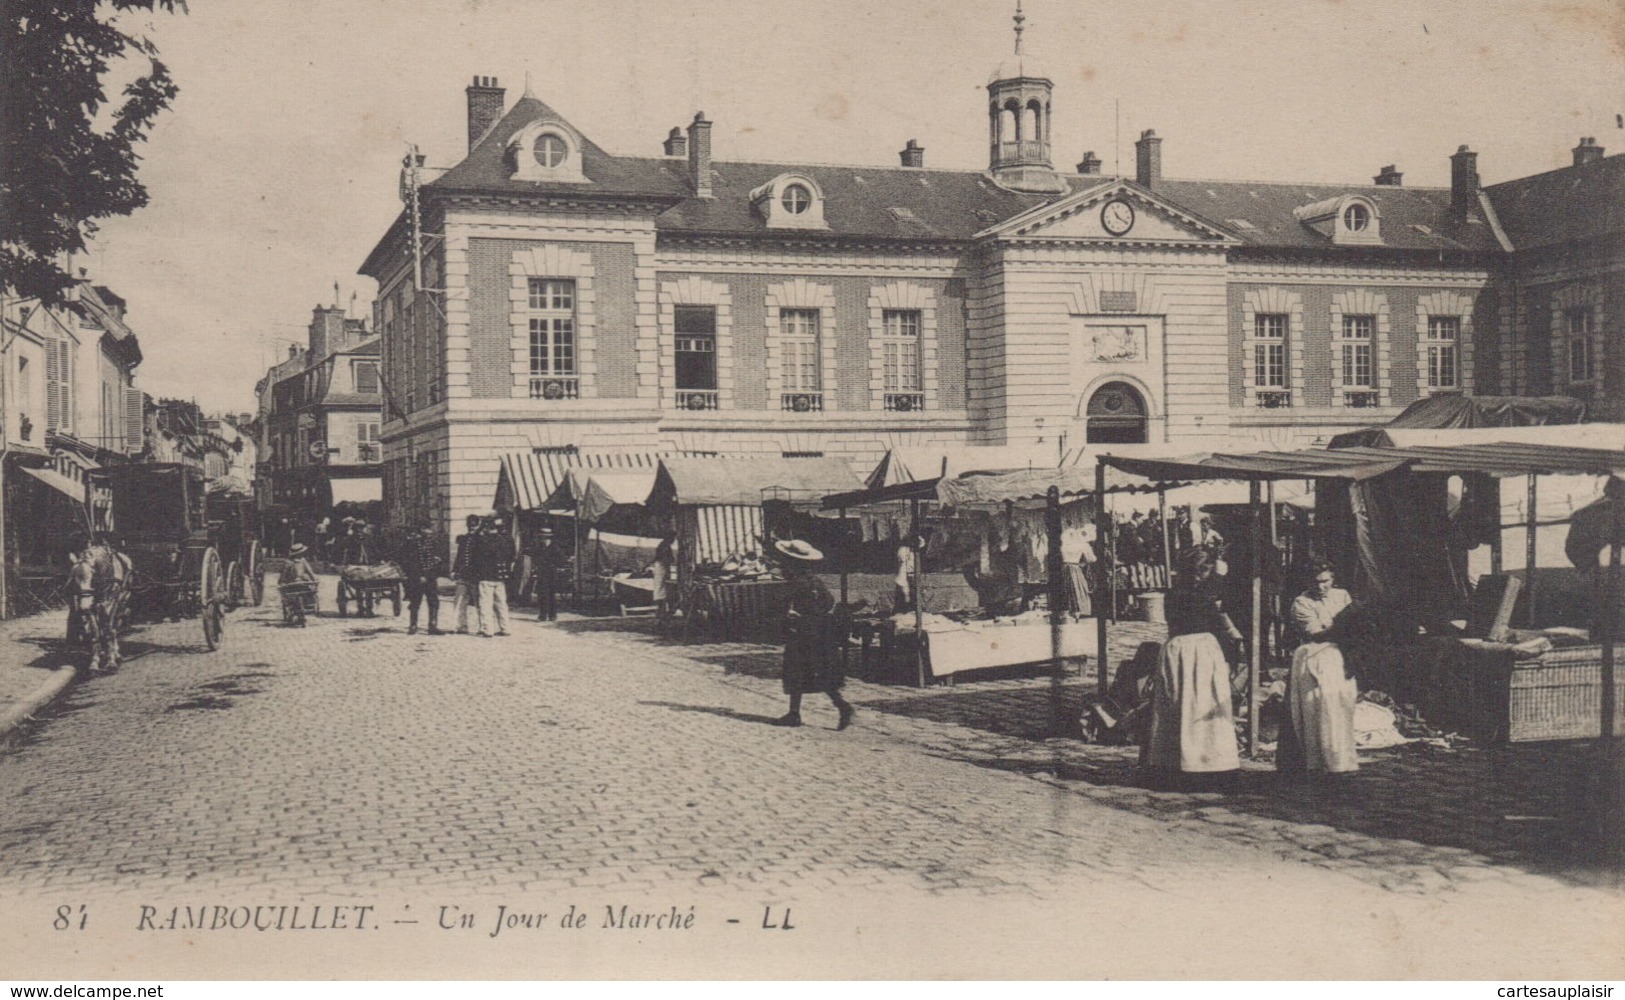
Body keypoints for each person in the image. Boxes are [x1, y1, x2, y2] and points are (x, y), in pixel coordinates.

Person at [1142, 548, 1244, 785]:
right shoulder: (1184, 593)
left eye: (1206, 571)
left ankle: (1210, 762)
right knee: (1186, 706)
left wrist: (1232, 638)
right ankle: (1184, 764)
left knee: (1203, 706)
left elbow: (1221, 616)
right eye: (1201, 571)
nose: (1203, 576)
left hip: (1199, 651)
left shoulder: (1201, 591)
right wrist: (1218, 581)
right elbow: (1205, 609)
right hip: (1188, 652)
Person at [1282, 561, 1360, 776]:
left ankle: (1341, 761)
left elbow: (1353, 629)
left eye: (1325, 581)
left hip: (1339, 657)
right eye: (1315, 582)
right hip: (1314, 657)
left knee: (1341, 708)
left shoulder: (1342, 596)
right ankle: (1316, 763)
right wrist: (1342, 624)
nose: (1320, 586)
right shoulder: (1302, 602)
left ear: (1332, 580)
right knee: (1316, 709)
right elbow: (1315, 633)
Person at [771, 539, 854, 730]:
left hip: (803, 632)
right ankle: (836, 706)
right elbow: (829, 602)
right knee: (819, 670)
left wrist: (791, 613)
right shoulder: (815, 580)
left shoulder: (796, 582)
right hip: (821, 632)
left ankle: (800, 713)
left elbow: (778, 602)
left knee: (796, 669)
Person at [398, 521, 444, 636]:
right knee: (415, 602)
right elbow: (408, 562)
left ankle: (432, 626)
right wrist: (418, 575)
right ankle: (413, 625)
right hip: (416, 579)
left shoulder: (435, 544)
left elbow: (439, 562)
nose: (429, 532)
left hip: (431, 579)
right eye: (426, 529)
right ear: (421, 530)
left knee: (433, 602)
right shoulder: (412, 544)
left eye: (430, 530)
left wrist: (430, 576)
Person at [474, 516, 515, 637]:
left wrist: (480, 528)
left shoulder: (483, 540)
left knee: (485, 604)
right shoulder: (504, 540)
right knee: (501, 604)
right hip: (500, 576)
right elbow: (511, 556)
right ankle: (505, 628)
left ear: (486, 528)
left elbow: (475, 542)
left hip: (486, 576)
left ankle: (488, 630)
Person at [451, 515, 482, 635]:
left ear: (478, 525)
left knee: (480, 603)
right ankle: (460, 626)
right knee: (459, 601)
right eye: (470, 525)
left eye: (474, 525)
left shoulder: (482, 540)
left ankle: (483, 627)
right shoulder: (464, 539)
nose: (472, 528)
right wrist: (455, 570)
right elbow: (460, 556)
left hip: (476, 576)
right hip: (463, 574)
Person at [279, 542, 318, 626]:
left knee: (305, 595)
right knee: (296, 596)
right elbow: (283, 575)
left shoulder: (296, 561)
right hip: (296, 584)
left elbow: (310, 571)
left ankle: (301, 611)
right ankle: (298, 611)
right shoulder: (292, 562)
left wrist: (314, 579)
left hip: (297, 584)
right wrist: (282, 582)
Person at [533, 530, 560, 622]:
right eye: (543, 538)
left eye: (545, 538)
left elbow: (561, 560)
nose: (544, 540)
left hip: (551, 574)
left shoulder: (555, 548)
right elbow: (535, 558)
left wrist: (551, 564)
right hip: (542, 573)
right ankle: (542, 615)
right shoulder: (539, 548)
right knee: (542, 595)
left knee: (551, 595)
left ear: (549, 539)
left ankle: (552, 615)